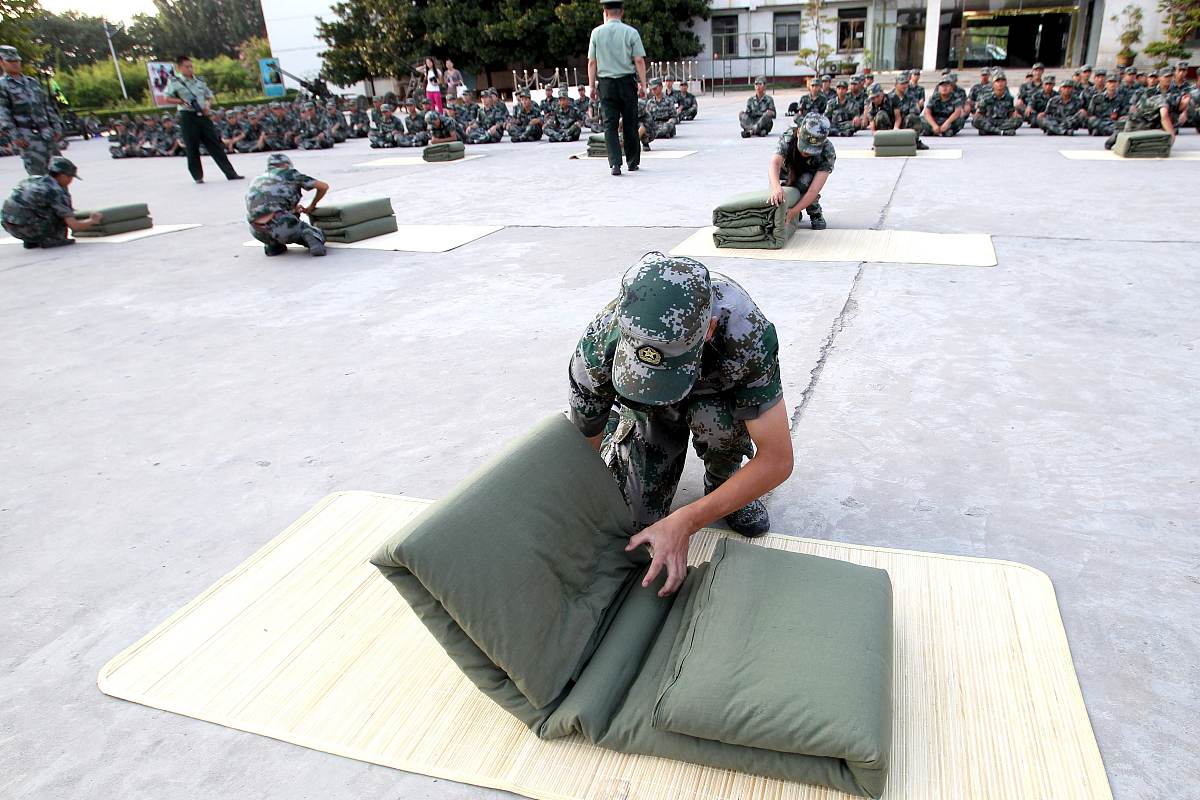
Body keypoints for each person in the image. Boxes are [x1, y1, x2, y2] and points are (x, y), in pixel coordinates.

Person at [568, 253, 794, 594]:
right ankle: (628, 433)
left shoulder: (746, 333)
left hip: (715, 401)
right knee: (635, 526)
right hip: (645, 410)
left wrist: (689, 519)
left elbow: (777, 459)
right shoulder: (600, 344)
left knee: (717, 425)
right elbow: (584, 440)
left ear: (710, 330)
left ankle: (722, 479)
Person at [162, 56, 243, 183]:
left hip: (202, 115)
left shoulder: (200, 81)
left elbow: (209, 96)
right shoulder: (174, 81)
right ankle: (197, 176)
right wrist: (182, 101)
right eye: (187, 66)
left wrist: (207, 106)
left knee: (215, 144)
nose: (190, 69)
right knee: (192, 146)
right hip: (187, 116)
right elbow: (166, 98)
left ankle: (231, 173)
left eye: (191, 66)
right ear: (180, 68)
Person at [588, 0, 647, 176]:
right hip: (626, 82)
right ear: (621, 12)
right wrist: (643, 84)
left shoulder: (596, 33)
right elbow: (639, 60)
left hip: (606, 83)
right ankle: (632, 162)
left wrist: (591, 86)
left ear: (605, 12)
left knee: (610, 125)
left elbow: (592, 62)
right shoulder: (631, 32)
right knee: (630, 122)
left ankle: (615, 163)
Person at [1, 156, 100, 248]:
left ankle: (31, 240)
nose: (71, 180)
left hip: (10, 226)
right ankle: (51, 239)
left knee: (39, 209)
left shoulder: (32, 179)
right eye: (70, 177)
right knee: (60, 216)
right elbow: (75, 226)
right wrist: (93, 220)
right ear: (62, 175)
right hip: (29, 228)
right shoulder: (55, 191)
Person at [245, 153, 328, 258]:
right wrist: (312, 206)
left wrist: (292, 210)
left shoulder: (257, 179)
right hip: (282, 224)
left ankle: (273, 246)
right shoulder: (289, 174)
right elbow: (323, 186)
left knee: (276, 225)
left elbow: (267, 205)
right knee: (317, 234)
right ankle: (309, 235)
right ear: (285, 165)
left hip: (256, 229)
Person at [0, 45, 63, 176]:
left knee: (60, 174)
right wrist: (15, 136)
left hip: (47, 134)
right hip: (27, 137)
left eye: (17, 61)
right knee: (39, 179)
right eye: (11, 62)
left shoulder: (32, 82)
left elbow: (47, 105)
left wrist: (56, 126)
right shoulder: (3, 85)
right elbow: (3, 113)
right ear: (1, 62)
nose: (16, 64)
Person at [768, 112, 833, 231]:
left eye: (811, 150)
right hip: (787, 172)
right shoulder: (788, 138)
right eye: (804, 146)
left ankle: (814, 211)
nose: (806, 153)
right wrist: (776, 188)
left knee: (806, 181)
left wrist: (794, 211)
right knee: (777, 196)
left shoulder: (827, 152)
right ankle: (793, 205)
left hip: (809, 176)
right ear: (798, 132)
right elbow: (774, 164)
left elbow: (814, 189)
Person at [971, 70, 1022, 135]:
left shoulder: (1009, 98)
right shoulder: (986, 98)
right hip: (989, 121)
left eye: (1002, 81)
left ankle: (990, 130)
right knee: (975, 120)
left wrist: (1014, 115)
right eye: (997, 81)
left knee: (1018, 119)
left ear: (1005, 83)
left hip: (1003, 122)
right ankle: (1001, 131)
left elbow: (1010, 113)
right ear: (993, 84)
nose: (1000, 83)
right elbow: (980, 114)